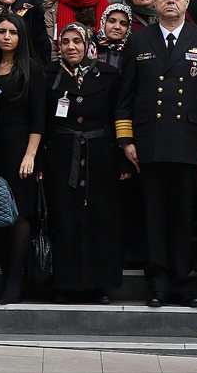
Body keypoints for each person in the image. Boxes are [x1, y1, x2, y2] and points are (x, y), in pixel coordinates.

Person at [116, 0, 197, 308]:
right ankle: (158, 285)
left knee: (182, 217)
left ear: (188, 0)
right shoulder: (138, 41)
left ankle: (183, 285)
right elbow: (125, 98)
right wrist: (126, 139)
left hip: (189, 143)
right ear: (154, 1)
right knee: (154, 219)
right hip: (150, 143)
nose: (170, 1)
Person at [43, 22, 128, 304]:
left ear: (88, 43)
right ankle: (64, 285)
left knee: (99, 221)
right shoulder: (49, 75)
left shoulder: (108, 74)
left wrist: (122, 161)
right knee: (65, 219)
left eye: (77, 41)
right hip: (61, 158)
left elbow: (117, 118)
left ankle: (97, 285)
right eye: (65, 42)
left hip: (100, 158)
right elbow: (41, 121)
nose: (71, 47)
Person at [0, 12, 45, 304]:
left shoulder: (32, 69)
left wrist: (30, 155)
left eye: (13, 32)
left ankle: (16, 280)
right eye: (1, 31)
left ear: (21, 37)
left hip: (21, 149)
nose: (6, 36)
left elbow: (38, 118)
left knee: (19, 214)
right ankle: (5, 275)